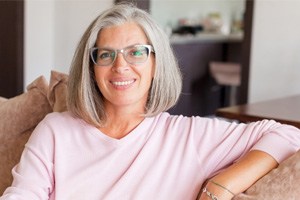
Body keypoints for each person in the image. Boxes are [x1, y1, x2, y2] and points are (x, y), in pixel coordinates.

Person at [1, 3, 300, 200]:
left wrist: (219, 188)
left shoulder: (187, 137)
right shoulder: (56, 130)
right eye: (106, 54)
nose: (120, 66)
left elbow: (286, 135)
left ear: (156, 64)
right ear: (91, 69)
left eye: (136, 52)